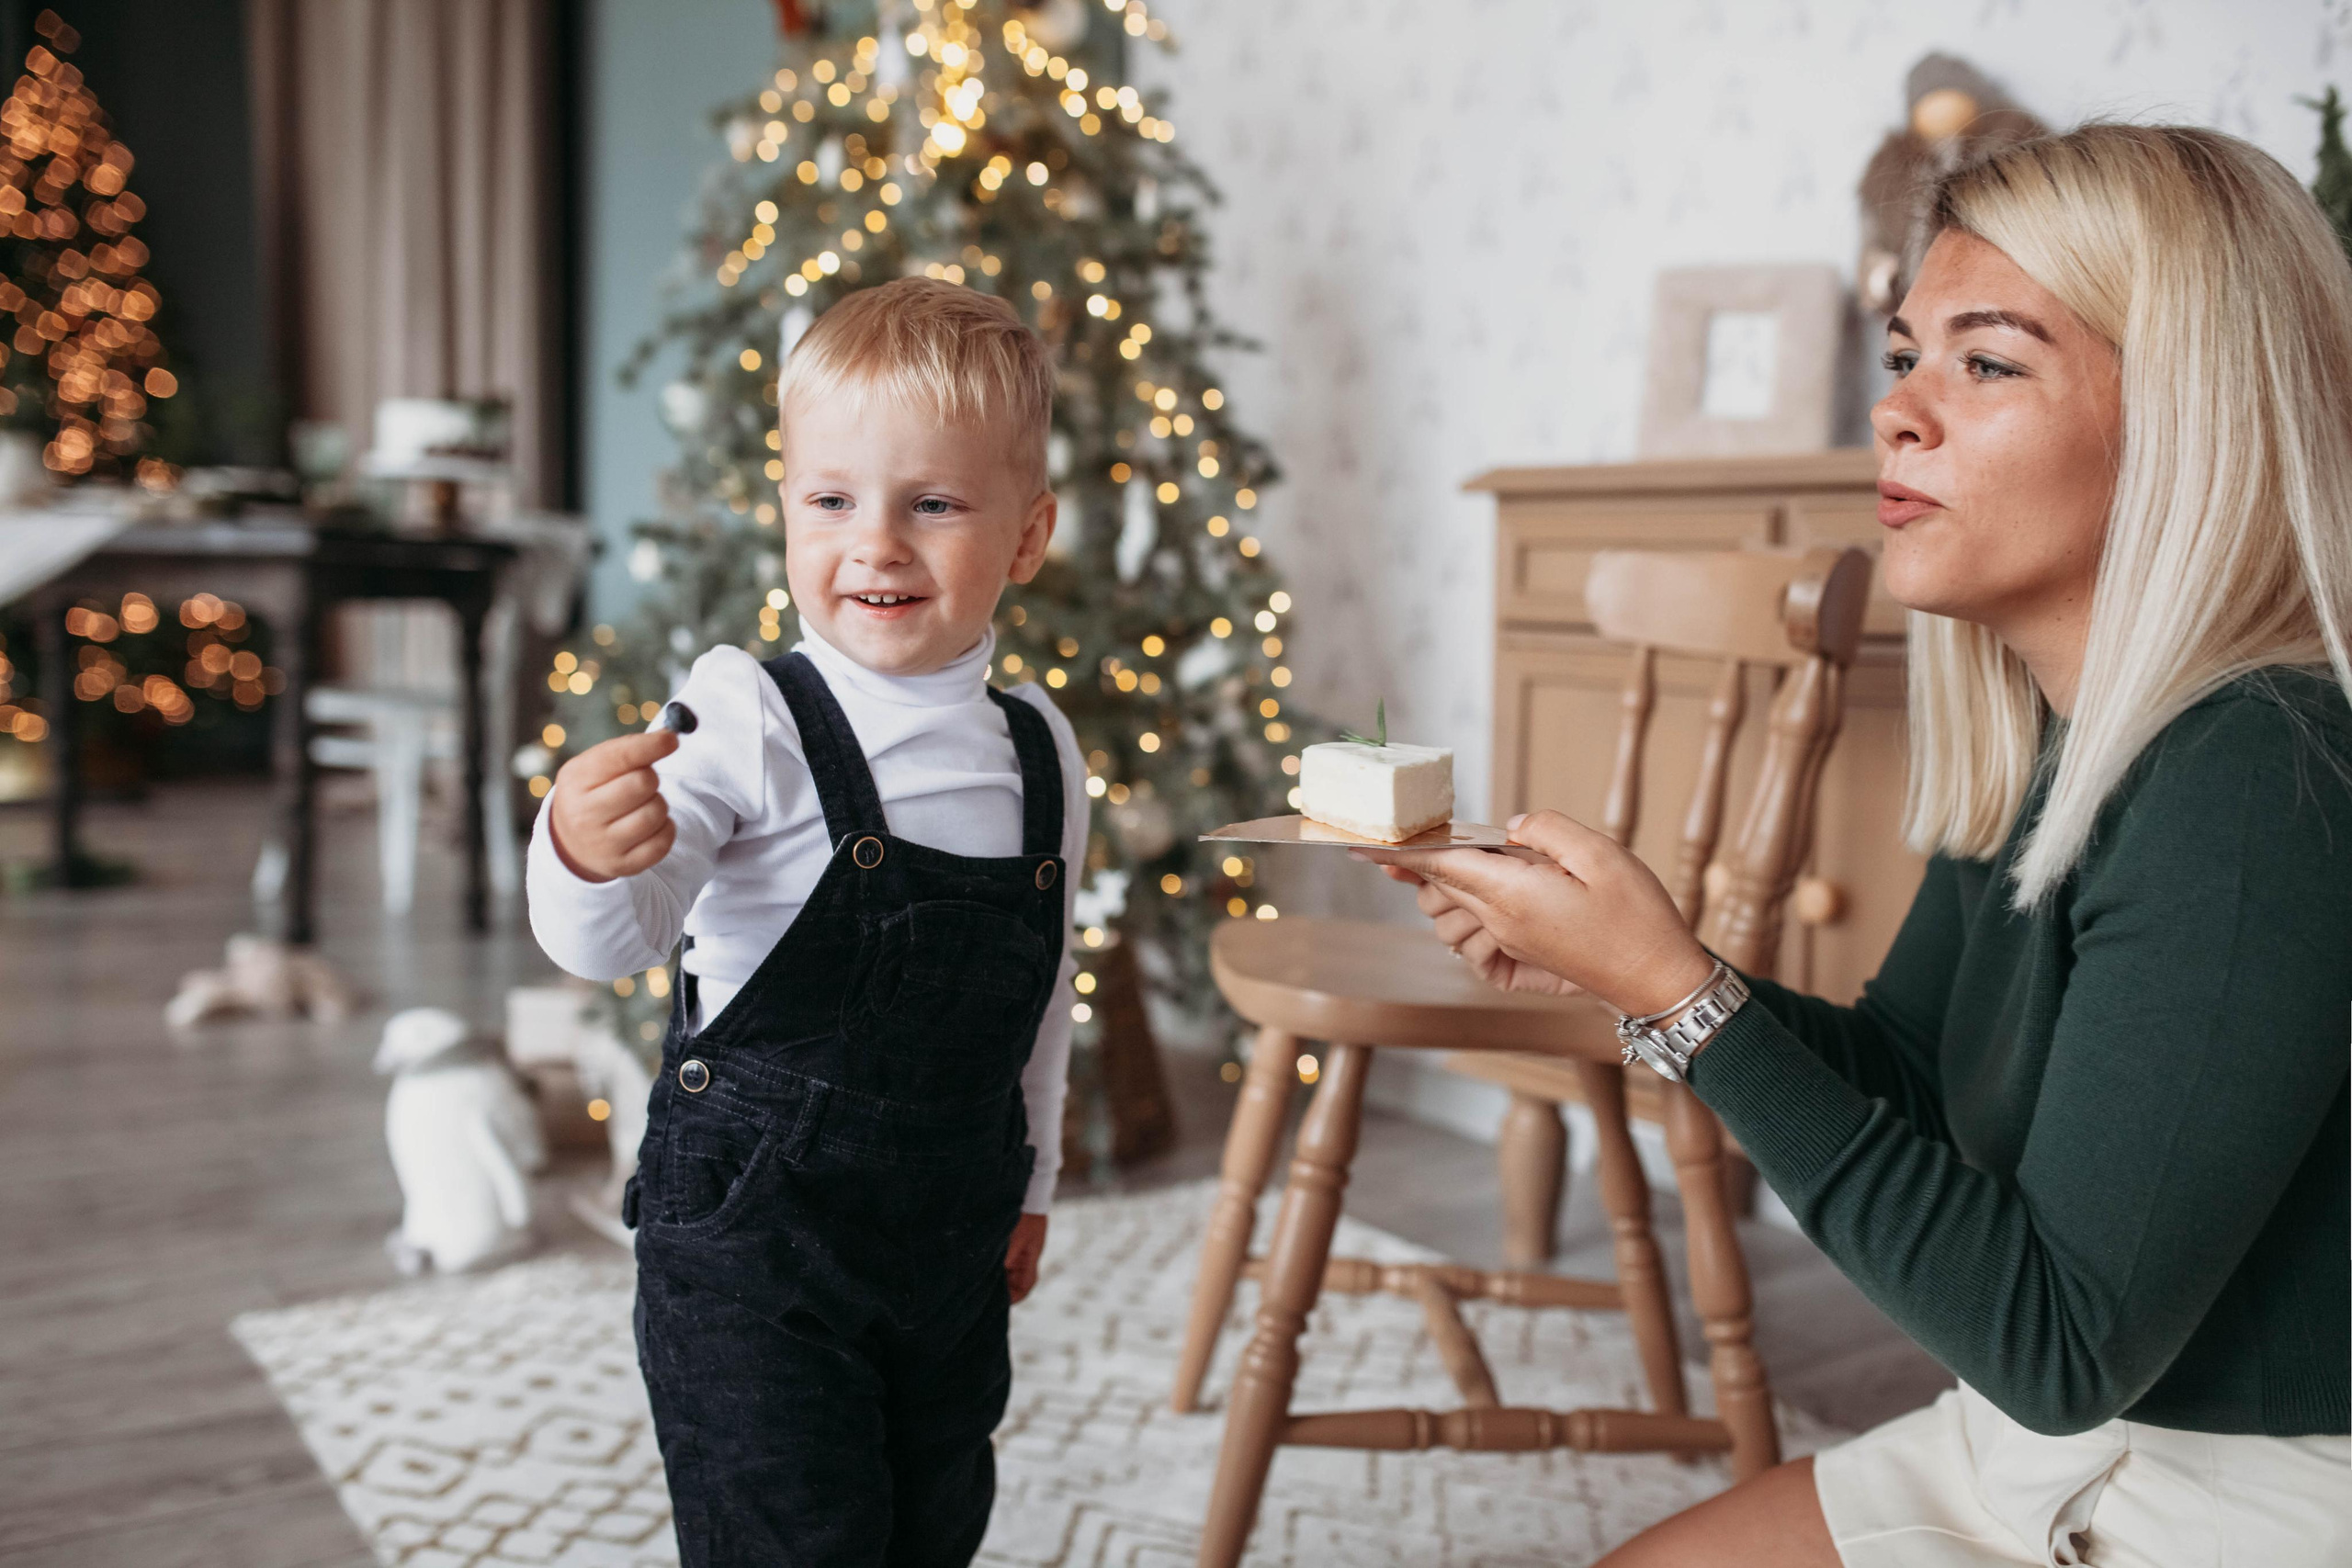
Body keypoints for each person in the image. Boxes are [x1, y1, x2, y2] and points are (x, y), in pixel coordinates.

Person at [1369, 124, 2351, 1567]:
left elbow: (2060, 1339)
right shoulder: (2061, 735)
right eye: (1905, 356)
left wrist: (1676, 1001)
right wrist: (1639, 967)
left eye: (1989, 361)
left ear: (2191, 412)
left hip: (2248, 1493)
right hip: (2054, 1443)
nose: (1900, 411)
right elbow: (1909, 1076)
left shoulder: (2262, 770)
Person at [526, 277, 1086, 1567]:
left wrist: (1035, 1181)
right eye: (831, 500)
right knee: (791, 1538)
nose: (876, 545)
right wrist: (578, 851)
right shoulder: (745, 715)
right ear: (785, 507)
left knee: (931, 1521)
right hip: (754, 1247)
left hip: (950, 1236)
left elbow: (1039, 994)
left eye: (933, 503)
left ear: (1026, 533)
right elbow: (608, 945)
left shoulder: (1040, 751)